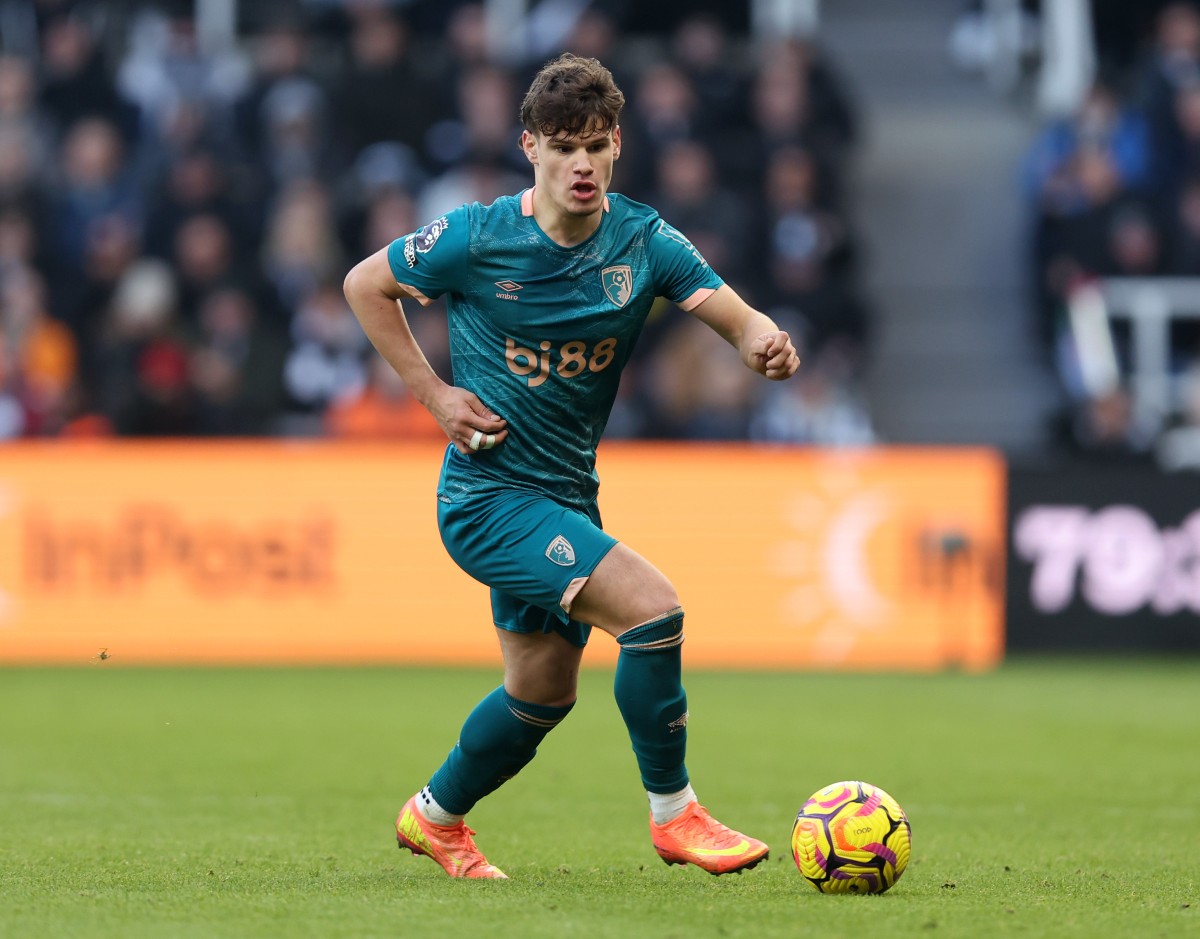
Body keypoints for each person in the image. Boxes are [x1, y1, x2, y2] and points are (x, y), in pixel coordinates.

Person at [342, 53, 800, 880]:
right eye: (563, 147)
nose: (581, 164)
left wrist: (762, 340)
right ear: (530, 148)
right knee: (654, 612)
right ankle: (676, 815)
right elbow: (364, 284)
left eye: (595, 145)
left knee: (541, 693)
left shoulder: (643, 238)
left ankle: (435, 817)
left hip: (566, 497)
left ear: (618, 143)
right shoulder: (476, 237)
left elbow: (733, 315)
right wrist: (437, 397)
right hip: (487, 497)